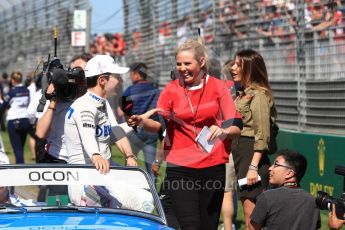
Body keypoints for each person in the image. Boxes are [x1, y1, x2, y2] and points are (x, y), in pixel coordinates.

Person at [127, 39, 242, 230]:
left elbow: (236, 128)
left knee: (209, 225)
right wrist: (142, 121)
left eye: (187, 63)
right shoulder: (172, 89)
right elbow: (158, 125)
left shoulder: (218, 87)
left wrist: (223, 131)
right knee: (190, 225)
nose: (182, 68)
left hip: (213, 166)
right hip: (180, 167)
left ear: (201, 62)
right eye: (179, 64)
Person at [64, 54, 137, 174]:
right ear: (102, 80)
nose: (121, 81)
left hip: (101, 170)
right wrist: (96, 155)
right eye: (117, 76)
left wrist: (137, 124)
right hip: (86, 174)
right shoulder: (85, 105)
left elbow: (115, 131)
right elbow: (87, 134)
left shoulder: (101, 102)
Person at [230, 49, 277, 229]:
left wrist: (253, 166)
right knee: (250, 214)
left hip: (251, 154)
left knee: (253, 219)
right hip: (242, 152)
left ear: (249, 68)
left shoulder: (258, 95)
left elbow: (262, 133)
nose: (232, 68)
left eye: (238, 65)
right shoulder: (243, 92)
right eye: (233, 64)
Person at [249, 149, 321, 230]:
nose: (270, 168)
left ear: (289, 173)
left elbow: (252, 228)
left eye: (276, 164)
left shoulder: (268, 197)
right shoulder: (313, 201)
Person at [122, 62, 160, 182]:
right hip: (151, 130)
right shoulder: (156, 90)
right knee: (151, 167)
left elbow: (125, 111)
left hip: (134, 131)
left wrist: (129, 122)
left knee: (130, 164)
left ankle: (128, 191)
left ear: (137, 75)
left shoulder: (129, 91)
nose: (131, 76)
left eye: (132, 74)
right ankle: (153, 194)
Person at [0, 71, 30, 163]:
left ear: (13, 80)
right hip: (25, 120)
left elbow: (3, 105)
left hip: (13, 121)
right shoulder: (27, 90)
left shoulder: (12, 92)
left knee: (17, 149)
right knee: (21, 146)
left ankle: (20, 170)